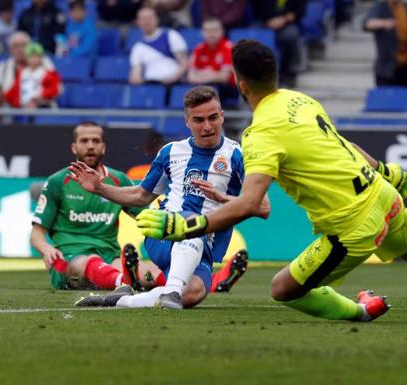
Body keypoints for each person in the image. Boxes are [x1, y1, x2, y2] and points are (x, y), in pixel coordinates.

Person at [135, 40, 407, 322]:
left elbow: (252, 202)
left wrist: (187, 225)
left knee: (283, 289)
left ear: (239, 84)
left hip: (351, 225)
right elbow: (343, 144)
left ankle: (361, 312)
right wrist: (385, 171)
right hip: (380, 193)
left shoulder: (261, 133)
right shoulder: (300, 100)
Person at [69, 86, 267, 309]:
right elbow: (140, 195)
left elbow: (262, 207)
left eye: (213, 118)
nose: (207, 126)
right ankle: (172, 291)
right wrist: (100, 188)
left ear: (222, 116)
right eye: (198, 120)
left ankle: (121, 300)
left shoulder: (237, 155)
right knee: (191, 224)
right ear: (187, 122)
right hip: (164, 232)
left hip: (205, 246)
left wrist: (221, 198)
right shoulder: (171, 152)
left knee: (192, 293)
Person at [31, 121, 165, 291]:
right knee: (88, 262)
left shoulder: (119, 180)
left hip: (110, 257)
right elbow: (36, 234)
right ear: (74, 147)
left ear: (103, 147)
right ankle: (123, 282)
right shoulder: (57, 182)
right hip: (71, 258)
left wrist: (167, 225)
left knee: (147, 274)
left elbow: (145, 217)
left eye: (95, 141)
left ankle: (190, 284)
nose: (90, 146)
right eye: (84, 141)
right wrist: (46, 248)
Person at [363, 0, 407, 108]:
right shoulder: (380, 8)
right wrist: (384, 23)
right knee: (387, 104)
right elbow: (366, 24)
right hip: (387, 67)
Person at [250, 0, 307, 87]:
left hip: (287, 23)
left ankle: (287, 73)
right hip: (264, 21)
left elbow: (298, 12)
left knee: (290, 35)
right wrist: (268, 21)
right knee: (252, 35)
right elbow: (256, 8)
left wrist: (283, 19)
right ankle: (254, 76)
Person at [129, 7, 188, 85]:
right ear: (138, 22)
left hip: (172, 83)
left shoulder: (170, 35)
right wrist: (135, 79)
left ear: (157, 19)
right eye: (143, 19)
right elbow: (135, 72)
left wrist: (174, 77)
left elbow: (184, 63)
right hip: (150, 84)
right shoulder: (138, 47)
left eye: (149, 18)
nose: (146, 21)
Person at [188, 18, 238, 102]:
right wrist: (213, 73)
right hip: (204, 87)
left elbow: (224, 77)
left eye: (215, 30)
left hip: (228, 89)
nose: (212, 34)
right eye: (208, 31)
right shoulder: (199, 48)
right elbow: (191, 76)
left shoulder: (228, 48)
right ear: (202, 33)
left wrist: (203, 73)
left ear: (222, 31)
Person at [0, 31, 54, 107]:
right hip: (10, 107)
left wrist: (39, 99)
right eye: (15, 46)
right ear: (10, 50)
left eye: (23, 45)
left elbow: (57, 87)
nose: (19, 49)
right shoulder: (3, 67)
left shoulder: (44, 62)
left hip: (41, 106)